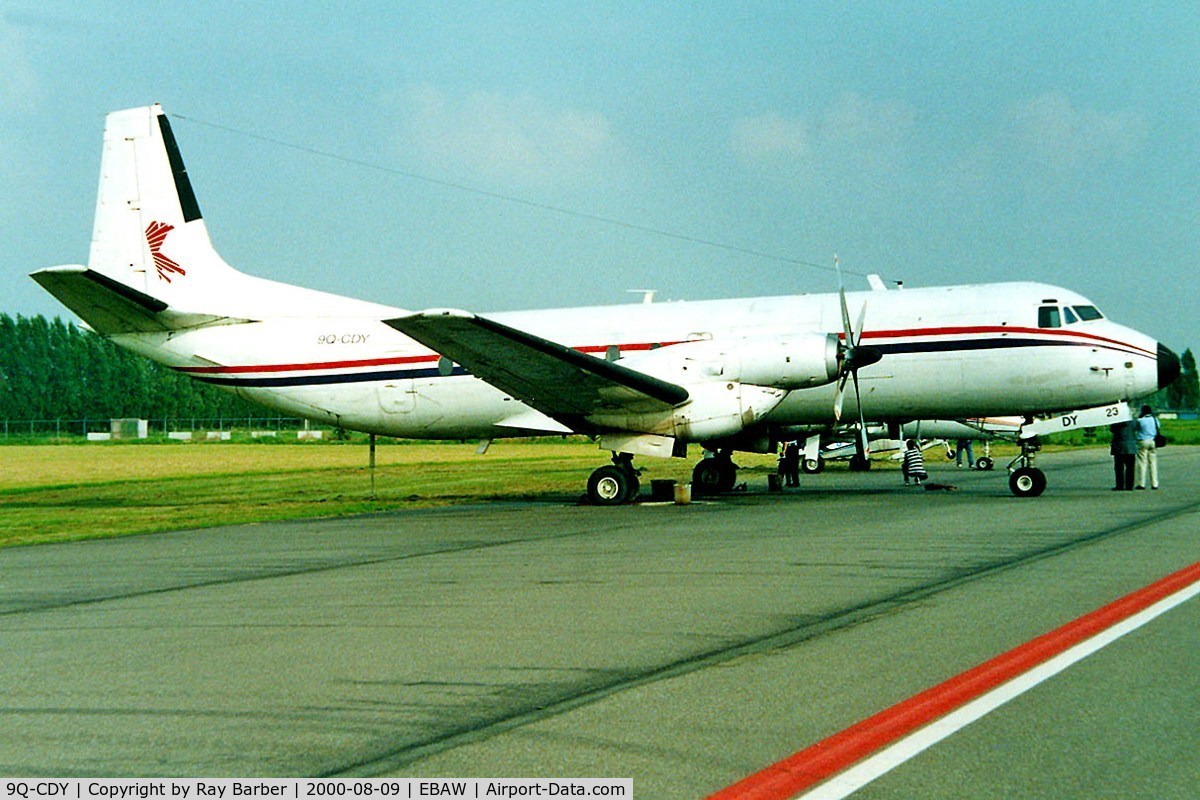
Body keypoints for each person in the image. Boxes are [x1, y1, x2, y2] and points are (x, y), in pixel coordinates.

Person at [1134, 405, 1161, 490]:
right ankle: (1154, 483)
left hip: (1143, 441)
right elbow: (1158, 428)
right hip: (1153, 442)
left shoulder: (1140, 420)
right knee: (1153, 463)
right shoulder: (1155, 419)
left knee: (1142, 463)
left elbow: (1136, 428)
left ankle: (1141, 484)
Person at [1109, 420, 1136, 491]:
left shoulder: (1116, 421)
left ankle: (1120, 485)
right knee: (1130, 468)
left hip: (1118, 446)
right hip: (1131, 446)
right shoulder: (1132, 421)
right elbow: (1137, 427)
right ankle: (1129, 486)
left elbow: (1112, 429)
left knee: (1119, 467)